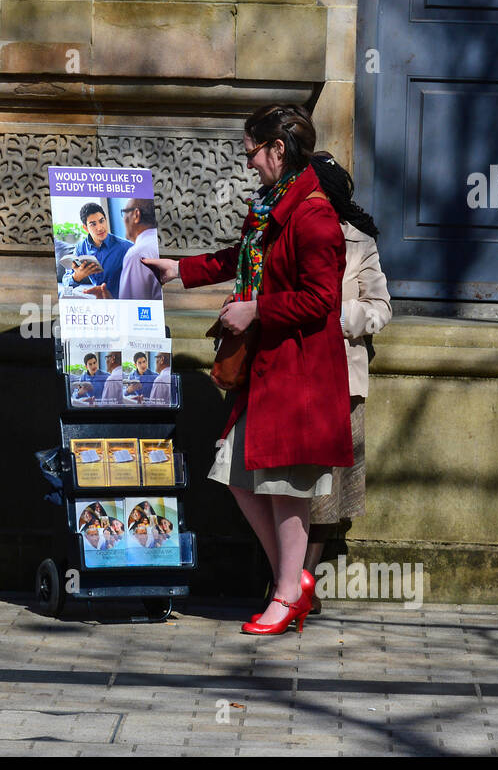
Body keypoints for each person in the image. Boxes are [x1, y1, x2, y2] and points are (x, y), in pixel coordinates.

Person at [143, 103, 352, 636]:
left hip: (298, 376)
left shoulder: (314, 214)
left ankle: (286, 592)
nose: (249, 163)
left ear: (277, 150)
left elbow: (321, 301)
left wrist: (257, 309)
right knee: (236, 477)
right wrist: (180, 270)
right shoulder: (274, 206)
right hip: (268, 371)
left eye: (252, 153)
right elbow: (242, 257)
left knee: (285, 489)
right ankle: (292, 582)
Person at [303, 152, 391, 610]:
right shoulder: (278, 233)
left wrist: (340, 315)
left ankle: (300, 581)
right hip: (289, 373)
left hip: (340, 379)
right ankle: (283, 576)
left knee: (328, 489)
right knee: (282, 482)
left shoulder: (358, 242)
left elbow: (381, 307)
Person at [61, 202, 131, 298]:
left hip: (120, 302)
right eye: (93, 224)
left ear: (106, 220)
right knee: (65, 296)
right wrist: (77, 277)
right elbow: (66, 284)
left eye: (101, 221)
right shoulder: (80, 248)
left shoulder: (126, 247)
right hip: (96, 302)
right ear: (85, 228)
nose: (99, 228)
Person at [117, 199, 162, 300]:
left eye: (124, 213)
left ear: (136, 215)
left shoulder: (137, 254)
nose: (123, 219)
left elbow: (131, 310)